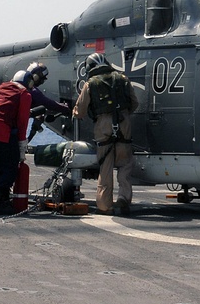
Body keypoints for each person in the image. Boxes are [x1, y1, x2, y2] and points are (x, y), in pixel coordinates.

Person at [73, 52, 139, 216]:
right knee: (125, 163)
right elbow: (134, 103)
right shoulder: (122, 79)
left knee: (106, 166)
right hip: (123, 121)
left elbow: (80, 110)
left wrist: (74, 113)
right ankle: (123, 198)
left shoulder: (90, 84)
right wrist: (123, 115)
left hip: (103, 125)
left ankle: (104, 205)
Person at [0, 70, 33, 215]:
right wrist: (22, 146)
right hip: (3, 133)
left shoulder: (0, 88)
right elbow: (22, 122)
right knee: (9, 168)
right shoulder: (24, 94)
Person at [25, 62, 71, 139]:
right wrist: (66, 108)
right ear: (35, 77)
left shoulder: (20, 85)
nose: (41, 83)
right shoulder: (33, 91)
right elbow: (48, 103)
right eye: (41, 80)